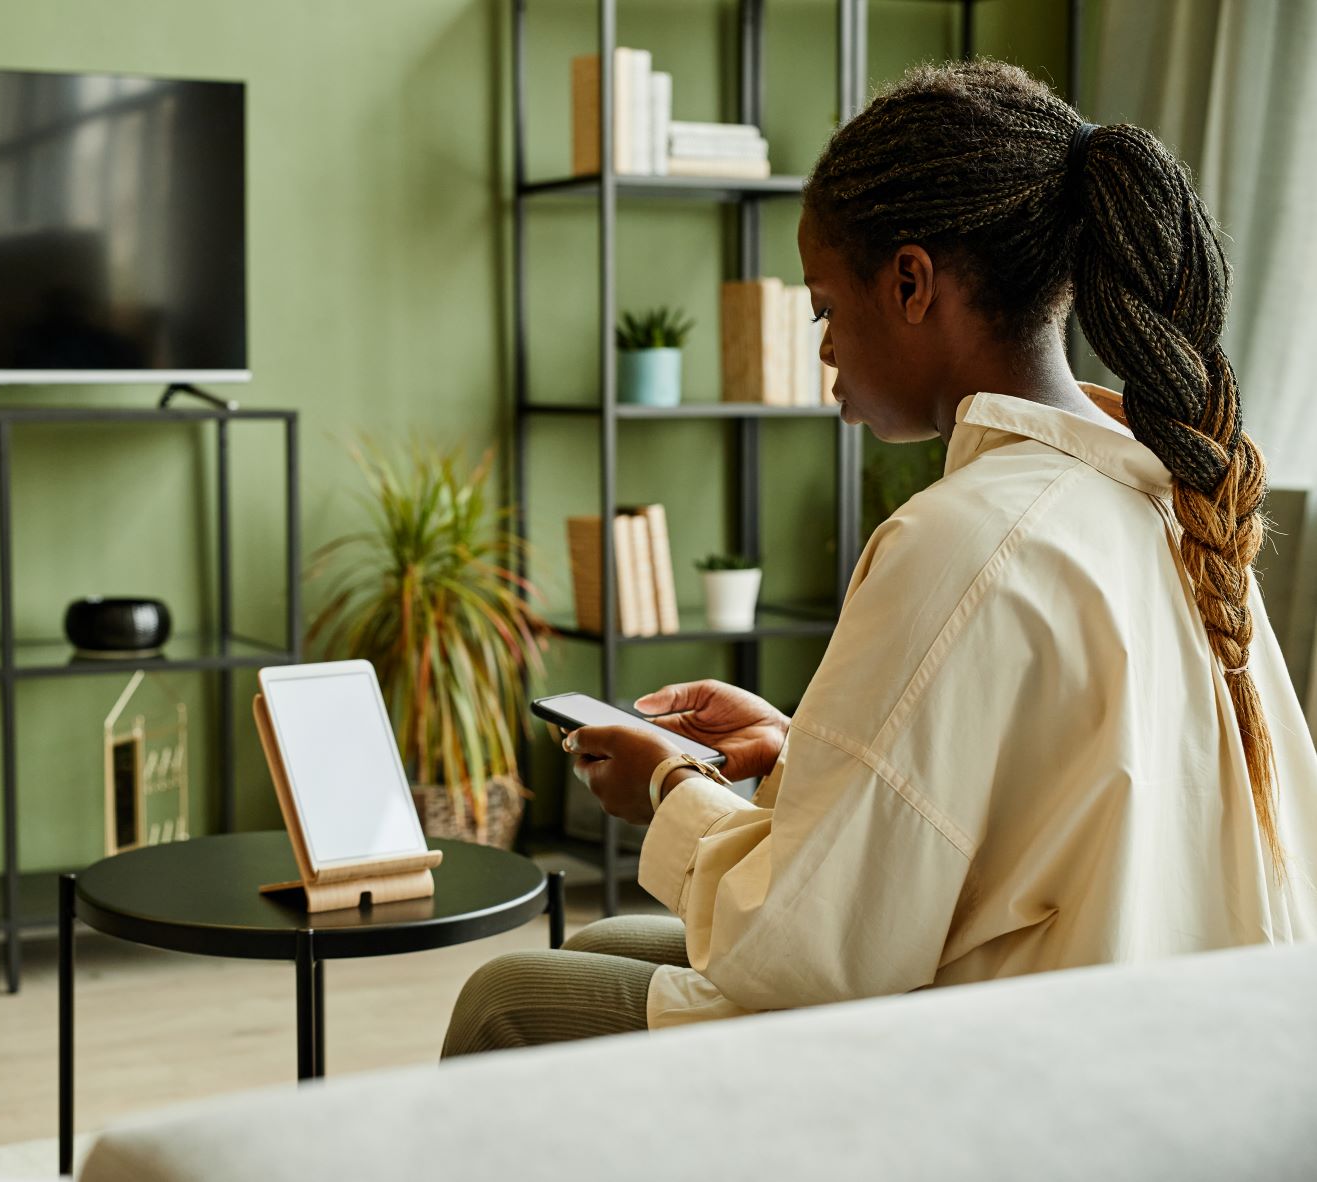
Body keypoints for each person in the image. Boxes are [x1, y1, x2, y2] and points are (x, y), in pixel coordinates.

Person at [441, 58, 1317, 1058]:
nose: (821, 347)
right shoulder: (1174, 495)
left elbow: (802, 950)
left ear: (909, 282)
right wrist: (798, 752)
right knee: (614, 938)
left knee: (508, 999)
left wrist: (665, 791)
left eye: (821, 305)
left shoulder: (965, 537)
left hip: (1012, 1064)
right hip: (1163, 1033)